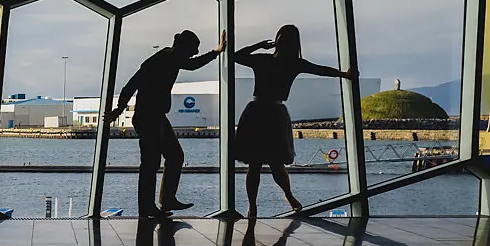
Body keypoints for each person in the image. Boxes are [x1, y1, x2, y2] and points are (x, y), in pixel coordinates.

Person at [234, 24, 357, 218]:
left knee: (258, 164)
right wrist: (345, 75)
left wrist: (258, 45)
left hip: (258, 112)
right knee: (269, 163)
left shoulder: (267, 60)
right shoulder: (293, 63)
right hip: (273, 113)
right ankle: (278, 199)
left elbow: (237, 56)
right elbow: (321, 70)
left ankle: (258, 205)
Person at [109, 30, 226, 219]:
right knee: (154, 162)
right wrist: (217, 51)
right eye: (192, 50)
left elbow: (132, 84)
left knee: (169, 158)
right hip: (149, 118)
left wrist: (120, 108)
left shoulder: (167, 58)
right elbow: (132, 85)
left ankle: (162, 201)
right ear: (182, 48)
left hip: (153, 116)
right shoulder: (165, 60)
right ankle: (151, 206)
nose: (194, 54)